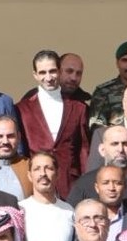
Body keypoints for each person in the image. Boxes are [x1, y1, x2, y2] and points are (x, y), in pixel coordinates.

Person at [17, 49, 89, 198]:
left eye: (52, 71)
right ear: (35, 75)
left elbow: (83, 149)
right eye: (42, 73)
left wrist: (86, 183)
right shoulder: (22, 109)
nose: (48, 78)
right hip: (36, 184)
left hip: (70, 185)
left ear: (60, 71)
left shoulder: (79, 108)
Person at [19, 152, 76, 241]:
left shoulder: (69, 210)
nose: (43, 173)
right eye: (37, 169)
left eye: (48, 168)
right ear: (29, 176)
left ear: (57, 174)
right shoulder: (20, 210)